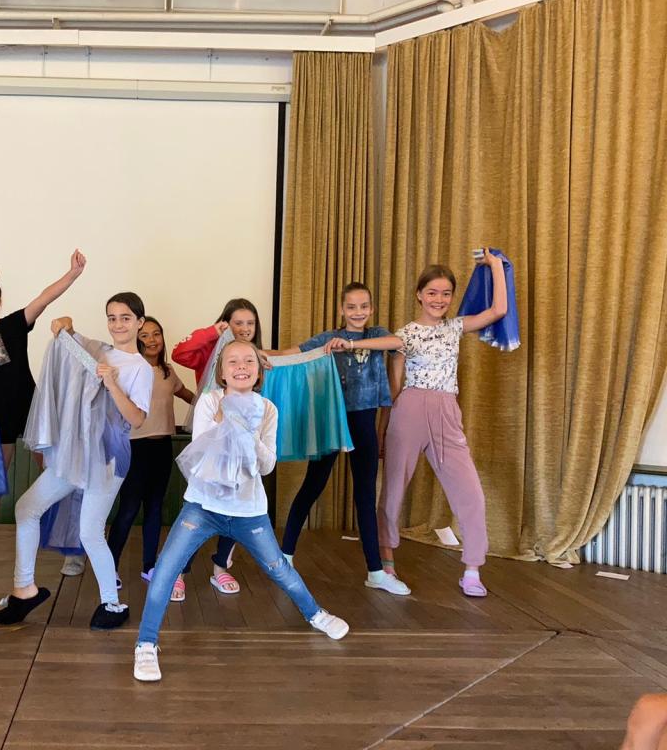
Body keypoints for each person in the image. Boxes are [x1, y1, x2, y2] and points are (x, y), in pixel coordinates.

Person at [133, 340, 349, 682]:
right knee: (166, 569)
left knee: (279, 568)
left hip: (249, 510)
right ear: (222, 372)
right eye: (232, 361)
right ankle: (146, 644)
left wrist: (242, 428)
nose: (241, 366)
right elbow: (201, 454)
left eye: (249, 361)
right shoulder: (209, 402)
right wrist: (226, 422)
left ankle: (316, 614)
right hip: (203, 506)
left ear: (259, 371)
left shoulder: (268, 409)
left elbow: (266, 465)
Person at [323, 250, 507, 596]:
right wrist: (349, 344)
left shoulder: (455, 327)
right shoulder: (406, 333)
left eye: (446, 293)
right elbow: (392, 375)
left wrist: (495, 265)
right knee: (393, 490)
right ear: (419, 295)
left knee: (469, 490)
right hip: (408, 410)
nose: (439, 299)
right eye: (432, 292)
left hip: (446, 410)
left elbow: (498, 310)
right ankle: (386, 562)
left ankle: (472, 569)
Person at [0, 293, 153, 630]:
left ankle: (112, 603)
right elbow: (70, 336)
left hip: (108, 456)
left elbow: (137, 419)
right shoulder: (100, 351)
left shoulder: (140, 368)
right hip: (76, 452)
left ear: (140, 322)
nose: (118, 324)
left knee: (90, 531)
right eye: (112, 317)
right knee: (26, 508)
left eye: (125, 317)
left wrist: (111, 384)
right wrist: (64, 324)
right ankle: (24, 588)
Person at [0, 250, 86, 581]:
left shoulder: (12, 325)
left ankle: (74, 551)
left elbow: (44, 298)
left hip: (31, 410)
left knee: (56, 476)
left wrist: (72, 274)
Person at [268, 282, 409, 595]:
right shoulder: (326, 339)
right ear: (342, 310)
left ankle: (376, 572)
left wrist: (351, 344)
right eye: (351, 307)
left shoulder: (376, 335)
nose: (358, 312)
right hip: (331, 421)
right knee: (312, 486)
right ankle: (285, 558)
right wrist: (255, 354)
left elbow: (398, 342)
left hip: (364, 421)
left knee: (365, 496)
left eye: (364, 306)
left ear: (371, 309)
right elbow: (289, 354)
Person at [170, 298, 264, 598]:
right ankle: (179, 571)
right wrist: (213, 332)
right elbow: (180, 353)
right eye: (237, 323)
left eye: (250, 323)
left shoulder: (257, 360)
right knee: (198, 512)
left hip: (242, 448)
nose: (244, 328)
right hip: (209, 442)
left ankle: (221, 567)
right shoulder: (210, 353)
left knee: (235, 509)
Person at [107, 317, 194, 585]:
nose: (152, 340)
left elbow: (186, 394)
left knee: (155, 508)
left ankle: (149, 566)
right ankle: (109, 568)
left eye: (157, 334)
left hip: (162, 447)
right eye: (145, 335)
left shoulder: (168, 371)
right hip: (135, 448)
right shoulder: (131, 368)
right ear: (136, 338)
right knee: (129, 508)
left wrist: (213, 403)